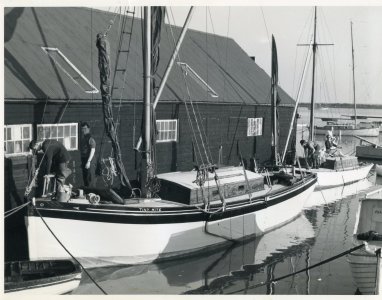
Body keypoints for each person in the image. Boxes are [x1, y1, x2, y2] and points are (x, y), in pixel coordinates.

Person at [80, 122, 96, 187]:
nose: (83, 130)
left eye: (85, 128)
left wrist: (88, 161)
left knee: (89, 178)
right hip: (84, 160)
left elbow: (93, 150)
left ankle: (91, 194)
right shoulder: (83, 138)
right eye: (82, 129)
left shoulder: (90, 139)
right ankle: (87, 193)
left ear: (88, 129)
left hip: (89, 160)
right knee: (85, 177)